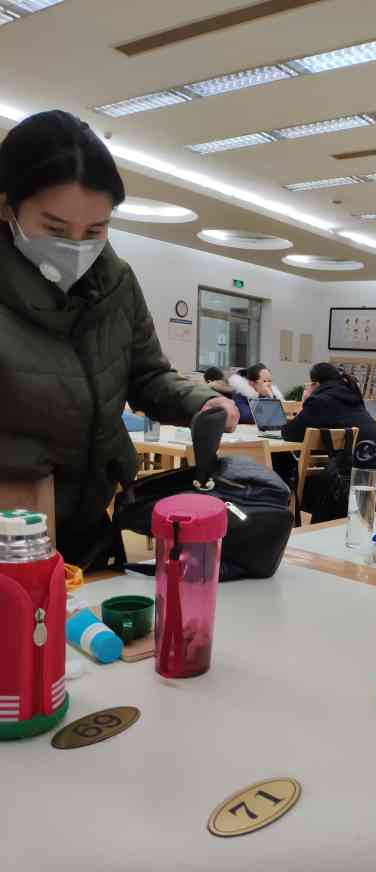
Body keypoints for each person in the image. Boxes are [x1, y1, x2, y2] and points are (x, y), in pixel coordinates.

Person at [0, 111, 238, 567]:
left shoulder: (115, 282)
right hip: (14, 528)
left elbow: (147, 374)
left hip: (93, 523)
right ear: (7, 206)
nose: (76, 246)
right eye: (54, 229)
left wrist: (197, 401)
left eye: (95, 230)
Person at [282, 363, 376, 460]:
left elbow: (290, 434)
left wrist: (305, 402)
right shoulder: (351, 395)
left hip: (360, 469)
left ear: (316, 384)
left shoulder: (320, 400)